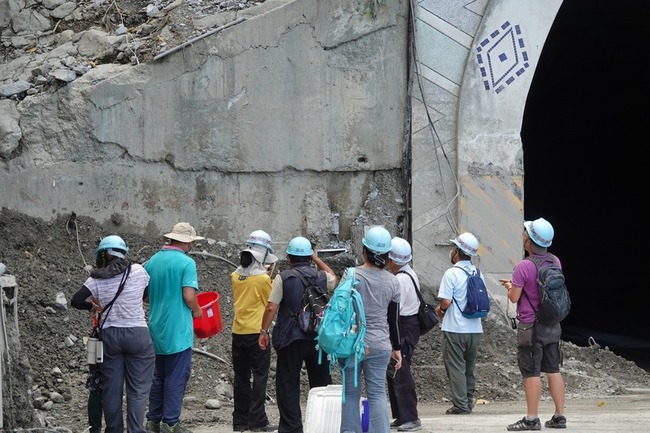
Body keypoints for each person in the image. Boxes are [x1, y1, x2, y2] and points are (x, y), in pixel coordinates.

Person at [71, 235, 155, 433]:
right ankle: (136, 430)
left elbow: (76, 300)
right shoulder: (139, 271)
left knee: (111, 388)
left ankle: (114, 429)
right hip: (138, 334)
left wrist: (91, 305)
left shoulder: (96, 278)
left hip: (110, 336)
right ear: (123, 253)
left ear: (104, 255)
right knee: (137, 390)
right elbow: (146, 296)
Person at [258, 236, 338, 433]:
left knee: (287, 383)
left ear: (290, 258)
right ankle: (321, 426)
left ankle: (292, 428)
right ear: (309, 257)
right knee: (321, 384)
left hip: (290, 337)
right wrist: (318, 259)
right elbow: (334, 278)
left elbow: (271, 307)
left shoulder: (283, 277)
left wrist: (263, 331)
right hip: (318, 339)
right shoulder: (321, 277)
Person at [500, 218, 567, 431]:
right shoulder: (555, 261)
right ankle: (559, 416)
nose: (522, 236)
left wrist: (511, 287)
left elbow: (514, 298)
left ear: (528, 241)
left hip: (531, 327)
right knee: (553, 369)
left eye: (524, 233)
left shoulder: (523, 266)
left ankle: (531, 418)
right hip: (552, 325)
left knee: (532, 372)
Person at [339, 226, 402, 433]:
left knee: (350, 394)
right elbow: (393, 320)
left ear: (364, 250)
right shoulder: (393, 282)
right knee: (377, 394)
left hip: (352, 344)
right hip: (381, 344)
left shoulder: (350, 275)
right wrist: (397, 348)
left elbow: (340, 310)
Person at [144, 223, 205, 433]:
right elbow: (189, 296)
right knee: (176, 377)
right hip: (178, 329)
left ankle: (153, 421)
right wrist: (197, 311)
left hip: (156, 327)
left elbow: (144, 296)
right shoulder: (187, 263)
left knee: (158, 376)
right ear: (187, 242)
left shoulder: (152, 262)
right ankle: (171, 423)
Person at [231, 230, 279, 432]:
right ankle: (257, 419)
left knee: (241, 376)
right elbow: (269, 302)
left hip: (237, 331)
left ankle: (240, 420)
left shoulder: (235, 275)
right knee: (260, 376)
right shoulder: (262, 279)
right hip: (256, 332)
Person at [434, 232, 484, 416]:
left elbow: (446, 302)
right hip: (475, 329)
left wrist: (438, 311)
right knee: (469, 368)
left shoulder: (451, 273)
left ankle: (461, 405)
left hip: (455, 328)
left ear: (457, 251)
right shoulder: (478, 272)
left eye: (453, 247)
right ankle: (468, 402)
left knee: (456, 367)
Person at [385, 237, 422, 432]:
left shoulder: (399, 280)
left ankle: (410, 417)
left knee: (401, 369)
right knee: (394, 369)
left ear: (393, 260)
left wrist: (395, 340)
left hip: (403, 325)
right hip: (409, 324)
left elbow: (394, 312)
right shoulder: (410, 273)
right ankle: (401, 414)